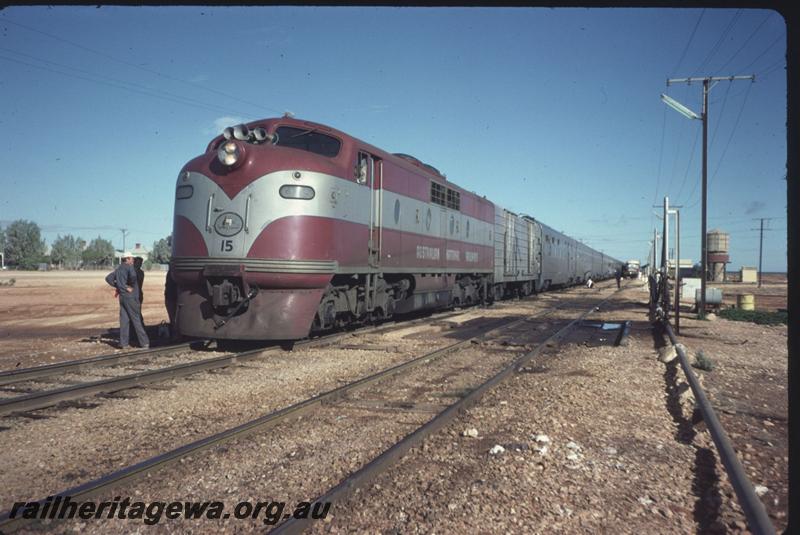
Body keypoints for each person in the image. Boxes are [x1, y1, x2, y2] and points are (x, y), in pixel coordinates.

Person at [105, 252, 150, 349]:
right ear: (127, 259)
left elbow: (108, 278)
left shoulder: (119, 268)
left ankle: (123, 343)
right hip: (131, 297)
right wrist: (129, 286)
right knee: (136, 319)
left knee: (124, 320)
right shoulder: (130, 268)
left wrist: (119, 286)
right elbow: (133, 277)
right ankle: (144, 342)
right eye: (132, 258)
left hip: (122, 297)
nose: (133, 260)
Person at [164, 267, 179, 341]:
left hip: (170, 297)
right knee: (175, 318)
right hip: (173, 297)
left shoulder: (170, 273)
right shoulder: (175, 274)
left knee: (173, 318)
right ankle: (176, 335)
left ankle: (175, 335)